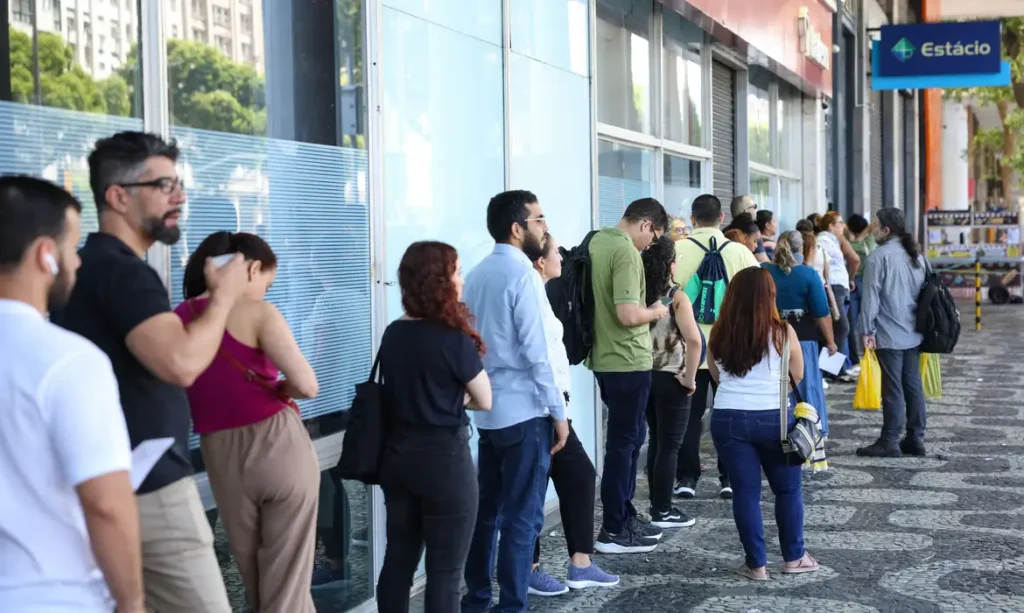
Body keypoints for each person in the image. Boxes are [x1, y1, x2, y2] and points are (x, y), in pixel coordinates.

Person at [51, 132, 246, 612]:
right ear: (118, 197)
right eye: (163, 185)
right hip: (151, 490)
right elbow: (181, 362)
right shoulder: (122, 272)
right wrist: (223, 297)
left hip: (115, 481)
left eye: (178, 184)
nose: (179, 197)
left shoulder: (89, 268)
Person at [0, 176, 143, 613]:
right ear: (46, 254)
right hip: (54, 597)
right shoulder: (68, 360)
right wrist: (132, 602)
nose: (77, 262)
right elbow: (107, 505)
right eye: (72, 247)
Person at [175, 232, 321, 612]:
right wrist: (283, 387)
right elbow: (308, 385)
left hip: (220, 452)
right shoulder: (259, 312)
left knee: (256, 580)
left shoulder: (180, 317)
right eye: (266, 284)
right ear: (251, 269)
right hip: (278, 443)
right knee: (287, 581)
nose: (264, 292)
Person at [461, 190, 569, 613]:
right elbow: (537, 353)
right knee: (523, 519)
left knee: (487, 513)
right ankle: (511, 606)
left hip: (490, 413)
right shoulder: (522, 275)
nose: (545, 226)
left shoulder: (477, 274)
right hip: (525, 411)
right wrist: (558, 413)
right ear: (516, 228)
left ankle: (477, 600)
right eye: (538, 219)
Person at [375, 241, 492, 613]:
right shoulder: (453, 338)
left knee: (398, 564)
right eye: (457, 272)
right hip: (444, 462)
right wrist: (452, 398)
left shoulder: (393, 333)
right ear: (440, 280)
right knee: (445, 573)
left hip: (398, 459)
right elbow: (484, 399)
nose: (461, 280)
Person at [707, 267, 818, 580]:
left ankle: (756, 564)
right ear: (770, 296)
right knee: (788, 490)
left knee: (745, 492)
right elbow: (798, 374)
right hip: (774, 418)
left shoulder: (718, 331)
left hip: (727, 417)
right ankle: (794, 557)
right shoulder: (783, 331)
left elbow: (715, 375)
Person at [526, 234, 618, 596]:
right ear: (540, 261)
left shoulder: (543, 291)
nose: (562, 259)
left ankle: (580, 564)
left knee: (579, 475)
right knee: (534, 489)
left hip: (552, 409)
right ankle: (529, 568)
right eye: (556, 253)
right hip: (541, 409)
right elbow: (539, 361)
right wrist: (557, 414)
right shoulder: (530, 294)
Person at [587, 197, 670, 554]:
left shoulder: (597, 241)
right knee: (624, 445)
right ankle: (614, 528)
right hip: (627, 359)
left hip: (605, 357)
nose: (650, 245)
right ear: (646, 224)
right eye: (654, 237)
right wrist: (655, 312)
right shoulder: (625, 251)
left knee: (629, 441)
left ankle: (624, 514)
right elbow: (627, 314)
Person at [674, 194, 760, 501]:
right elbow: (759, 297)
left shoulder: (676, 250)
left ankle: (686, 478)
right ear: (722, 217)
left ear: (693, 219)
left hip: (687, 350)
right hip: (730, 348)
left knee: (688, 417)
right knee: (731, 414)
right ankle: (729, 478)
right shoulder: (740, 252)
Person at [856, 208, 928, 459]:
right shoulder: (916, 255)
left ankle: (889, 440)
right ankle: (916, 438)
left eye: (875, 225)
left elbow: (870, 299)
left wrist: (866, 330)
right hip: (914, 331)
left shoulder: (878, 257)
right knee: (913, 385)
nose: (872, 230)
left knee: (893, 388)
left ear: (886, 230)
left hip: (888, 332)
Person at [641, 236, 702, 528]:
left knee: (656, 439)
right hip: (672, 376)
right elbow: (694, 340)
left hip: (643, 374)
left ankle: (657, 503)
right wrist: (690, 377)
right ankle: (663, 510)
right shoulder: (676, 297)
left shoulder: (637, 294)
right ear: (670, 265)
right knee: (670, 445)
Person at [763, 231, 836, 441]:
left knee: (773, 385)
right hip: (803, 340)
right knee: (806, 384)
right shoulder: (809, 274)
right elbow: (822, 313)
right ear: (801, 249)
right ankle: (811, 430)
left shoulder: (764, 271)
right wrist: (831, 342)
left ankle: (776, 428)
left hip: (769, 338)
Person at [816, 212, 860, 382]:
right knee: (840, 327)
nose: (843, 226)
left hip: (838, 287)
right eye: (840, 223)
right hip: (832, 287)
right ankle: (831, 370)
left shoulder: (833, 241)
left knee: (839, 327)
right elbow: (820, 263)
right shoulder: (823, 240)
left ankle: (835, 370)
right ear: (831, 226)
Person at [846, 214, 876, 368]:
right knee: (864, 318)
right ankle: (866, 353)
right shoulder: (869, 239)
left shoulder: (849, 242)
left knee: (854, 320)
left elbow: (860, 251)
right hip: (863, 282)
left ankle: (858, 355)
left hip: (854, 282)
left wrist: (856, 238)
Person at [730, 196, 769, 263]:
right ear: (746, 211)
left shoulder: (725, 231)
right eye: (754, 207)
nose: (756, 210)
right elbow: (764, 262)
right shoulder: (752, 230)